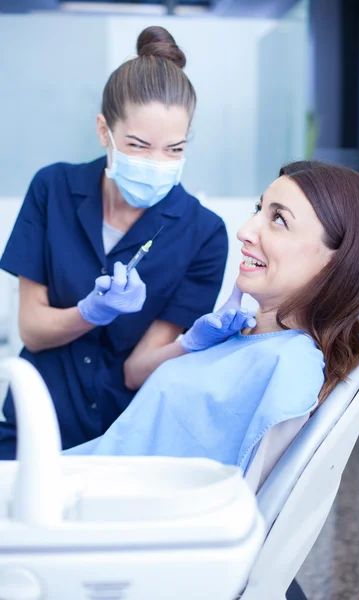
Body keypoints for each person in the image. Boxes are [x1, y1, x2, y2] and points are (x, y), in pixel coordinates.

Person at [65, 161, 359, 495]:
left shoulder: (292, 365)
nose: (245, 230)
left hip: (107, 513)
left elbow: (243, 511)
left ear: (335, 263)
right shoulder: (241, 332)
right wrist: (190, 345)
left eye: (279, 219)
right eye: (259, 209)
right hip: (84, 480)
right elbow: (133, 376)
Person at [0, 26, 232, 459]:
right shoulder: (52, 189)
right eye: (139, 146)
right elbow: (31, 329)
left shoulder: (203, 234)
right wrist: (91, 312)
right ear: (104, 131)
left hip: (125, 442)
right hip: (34, 429)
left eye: (174, 149)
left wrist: (193, 343)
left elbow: (133, 372)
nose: (157, 164)